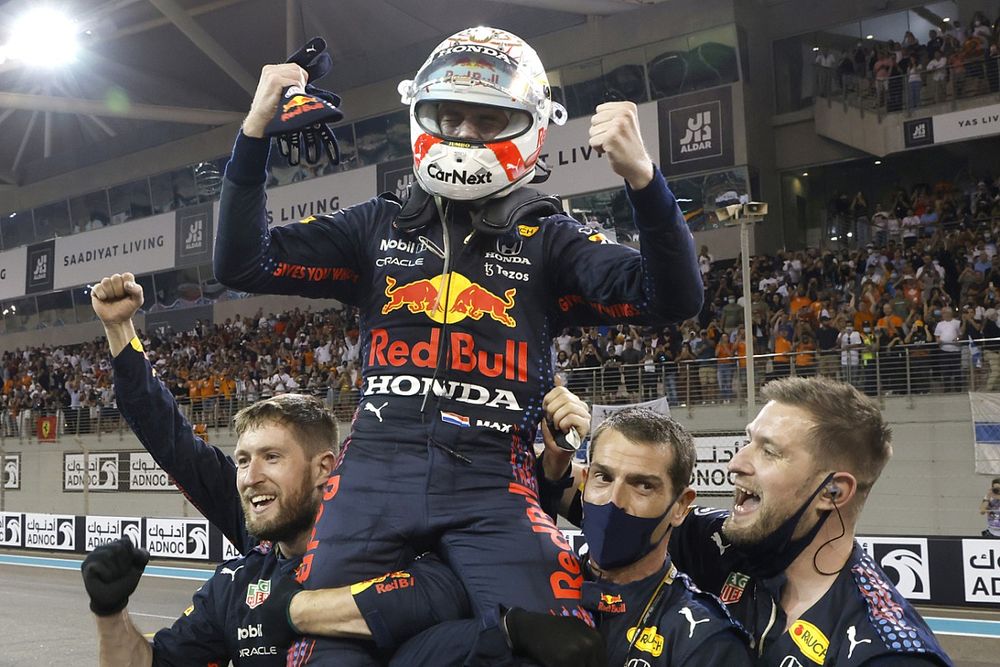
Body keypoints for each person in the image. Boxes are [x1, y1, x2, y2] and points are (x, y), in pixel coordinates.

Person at [215, 25, 702, 664]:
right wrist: (252, 136)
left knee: (562, 647)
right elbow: (242, 264)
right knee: (328, 655)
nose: (465, 134)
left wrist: (643, 179)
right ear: (420, 115)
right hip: (371, 481)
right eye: (449, 116)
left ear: (529, 126)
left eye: (488, 117)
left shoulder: (550, 237)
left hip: (492, 483)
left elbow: (672, 298)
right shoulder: (375, 223)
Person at [82, 272, 599, 666]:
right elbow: (174, 445)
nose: (249, 475)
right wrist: (109, 614)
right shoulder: (242, 575)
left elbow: (507, 538)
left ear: (328, 468)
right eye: (242, 460)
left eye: (272, 457)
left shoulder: (414, 548)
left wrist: (553, 465)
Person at [339, 407, 755, 666]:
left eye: (643, 486)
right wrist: (503, 632)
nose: (615, 501)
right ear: (586, 480)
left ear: (681, 505)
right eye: (604, 478)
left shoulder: (704, 639)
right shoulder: (524, 566)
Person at [665, 377, 952, 665]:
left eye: (769, 451)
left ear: (833, 492)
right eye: (748, 441)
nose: (735, 463)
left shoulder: (887, 654)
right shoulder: (717, 541)